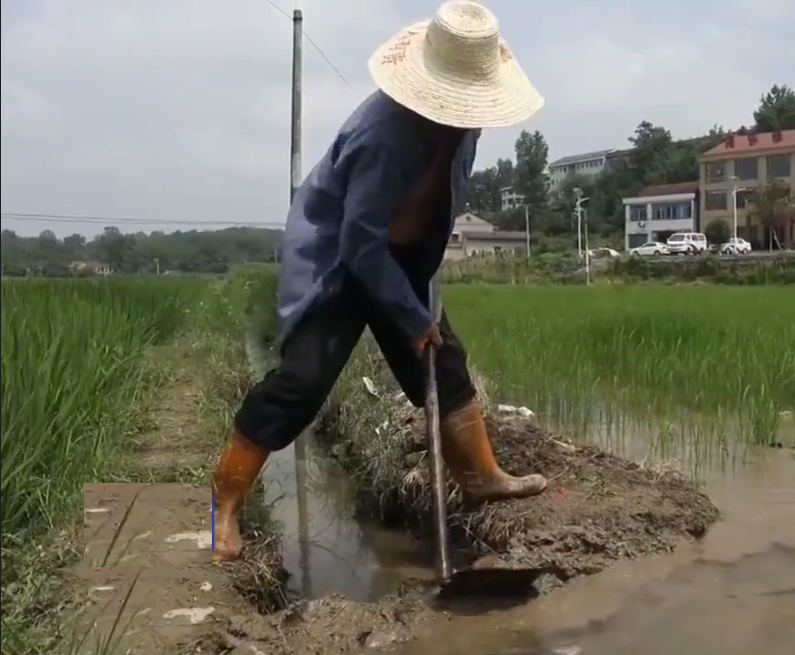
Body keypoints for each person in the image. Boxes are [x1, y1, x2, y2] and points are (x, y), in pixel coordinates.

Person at [211, 1, 548, 562]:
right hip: (342, 260)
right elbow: (359, 244)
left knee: (444, 364)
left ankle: (481, 475)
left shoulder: (466, 126)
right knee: (302, 382)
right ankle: (225, 499)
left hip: (407, 254)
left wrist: (421, 302)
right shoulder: (383, 134)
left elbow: (436, 201)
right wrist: (410, 315)